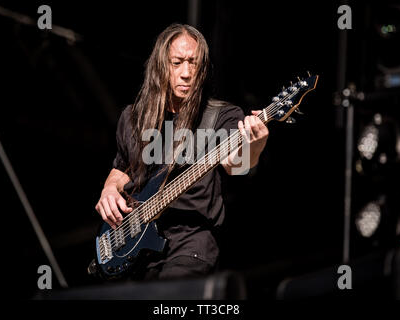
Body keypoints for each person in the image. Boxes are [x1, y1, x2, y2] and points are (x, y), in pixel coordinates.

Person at [95, 23, 269, 281]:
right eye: (177, 63)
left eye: (193, 63)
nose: (186, 73)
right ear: (160, 66)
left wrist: (255, 143)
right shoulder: (133, 118)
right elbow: (122, 168)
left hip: (191, 244)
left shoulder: (221, 115)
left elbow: (235, 165)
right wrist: (109, 189)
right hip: (135, 243)